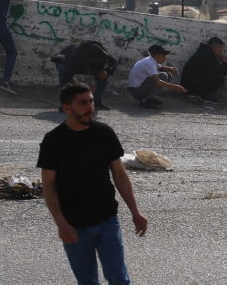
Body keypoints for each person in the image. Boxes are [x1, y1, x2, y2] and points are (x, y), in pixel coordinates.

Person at [37, 81, 148, 285]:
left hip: (107, 221)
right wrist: (61, 223)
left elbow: (119, 174)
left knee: (119, 279)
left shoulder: (104, 133)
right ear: (67, 108)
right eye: (83, 103)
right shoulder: (53, 140)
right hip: (73, 226)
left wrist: (135, 211)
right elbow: (49, 186)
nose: (90, 107)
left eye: (91, 101)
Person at [51, 40, 120, 111]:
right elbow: (67, 78)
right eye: (99, 59)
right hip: (66, 62)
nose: (102, 61)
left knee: (103, 75)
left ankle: (96, 102)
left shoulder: (101, 51)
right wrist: (84, 88)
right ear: (92, 58)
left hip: (87, 66)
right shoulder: (75, 56)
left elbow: (114, 62)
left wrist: (107, 72)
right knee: (63, 75)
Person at [127, 44, 187, 109]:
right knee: (163, 76)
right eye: (163, 56)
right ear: (157, 56)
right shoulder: (150, 63)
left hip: (137, 90)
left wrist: (170, 68)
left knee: (168, 74)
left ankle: (149, 98)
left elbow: (161, 68)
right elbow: (158, 82)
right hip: (137, 92)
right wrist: (175, 87)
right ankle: (145, 101)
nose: (165, 58)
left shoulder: (150, 59)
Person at [181, 37, 227, 105]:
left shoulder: (204, 52)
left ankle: (198, 95)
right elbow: (223, 72)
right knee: (220, 80)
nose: (222, 51)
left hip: (188, 84)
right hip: (190, 86)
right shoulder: (208, 55)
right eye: (221, 48)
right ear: (215, 48)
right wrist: (225, 62)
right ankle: (199, 96)